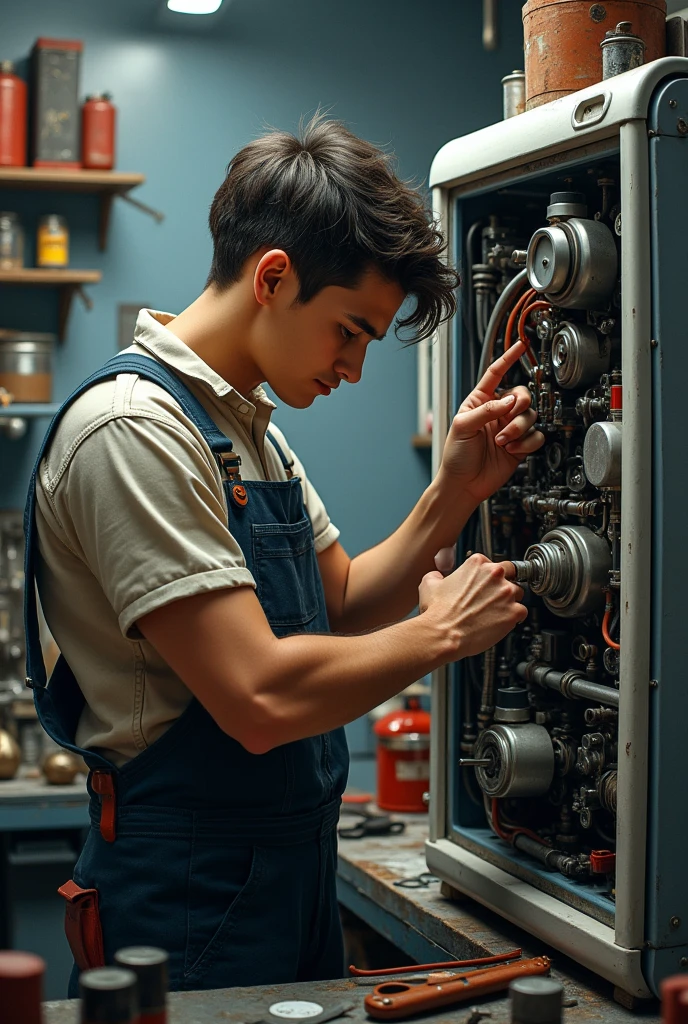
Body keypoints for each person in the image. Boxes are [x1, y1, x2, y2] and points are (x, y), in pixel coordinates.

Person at [24, 115, 543, 994]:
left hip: (285, 866)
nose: (354, 367)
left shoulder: (245, 427)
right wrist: (438, 635)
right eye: (350, 330)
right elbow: (257, 697)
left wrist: (454, 491)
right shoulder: (133, 430)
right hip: (187, 886)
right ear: (273, 276)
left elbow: (338, 599)